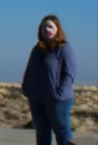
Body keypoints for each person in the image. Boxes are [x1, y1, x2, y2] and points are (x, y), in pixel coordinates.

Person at [22, 15, 78, 145]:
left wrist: (59, 93)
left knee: (62, 131)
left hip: (58, 100)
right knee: (42, 131)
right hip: (37, 99)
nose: (48, 30)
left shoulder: (64, 49)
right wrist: (27, 88)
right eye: (44, 27)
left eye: (51, 27)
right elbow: (29, 70)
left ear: (58, 29)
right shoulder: (37, 50)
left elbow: (70, 74)